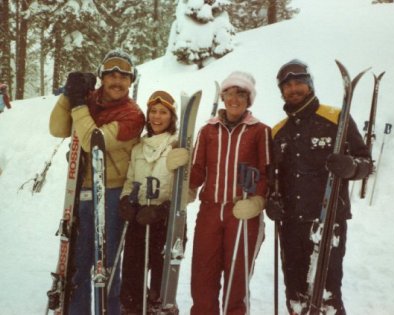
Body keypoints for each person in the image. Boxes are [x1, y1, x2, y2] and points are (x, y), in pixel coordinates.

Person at [266, 59, 372, 315]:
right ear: (281, 91)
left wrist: (351, 167)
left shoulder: (336, 119)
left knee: (326, 294)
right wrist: (272, 200)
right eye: (287, 85)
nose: (293, 89)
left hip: (327, 220)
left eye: (298, 83)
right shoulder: (278, 132)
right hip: (291, 224)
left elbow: (366, 163)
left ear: (309, 85)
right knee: (296, 294)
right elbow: (273, 177)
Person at [49, 49, 145, 315]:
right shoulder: (89, 100)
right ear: (102, 77)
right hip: (81, 190)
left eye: (123, 76)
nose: (117, 81)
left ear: (131, 81)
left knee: (107, 265)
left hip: (112, 193)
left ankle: (108, 311)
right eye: (111, 75)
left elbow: (94, 142)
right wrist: (70, 95)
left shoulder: (133, 115)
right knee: (78, 264)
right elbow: (57, 129)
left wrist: (79, 106)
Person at [188, 71, 272, 315]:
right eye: (230, 94)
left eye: (241, 94)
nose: (234, 100)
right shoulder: (208, 131)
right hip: (211, 210)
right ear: (223, 97)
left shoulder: (259, 131)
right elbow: (196, 172)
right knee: (203, 274)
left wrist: (257, 200)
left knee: (237, 275)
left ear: (249, 99)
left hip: (242, 211)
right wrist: (183, 180)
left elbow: (267, 172)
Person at [118, 90, 188, 315]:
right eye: (153, 112)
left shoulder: (178, 146)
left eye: (163, 112)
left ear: (172, 117)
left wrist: (165, 209)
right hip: (139, 218)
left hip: (166, 221)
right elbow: (130, 181)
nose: (157, 117)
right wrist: (126, 201)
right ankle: (134, 308)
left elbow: (190, 189)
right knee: (132, 281)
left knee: (161, 283)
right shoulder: (139, 147)